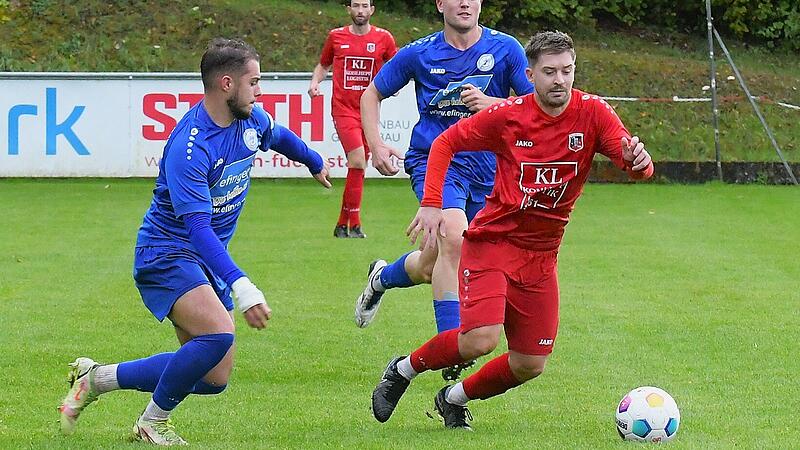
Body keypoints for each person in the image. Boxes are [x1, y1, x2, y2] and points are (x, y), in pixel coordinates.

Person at [370, 30, 654, 430]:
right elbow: (445, 143)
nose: (560, 80)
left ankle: (453, 398)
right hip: (493, 244)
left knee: (529, 364)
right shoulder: (508, 115)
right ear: (530, 74)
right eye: (550, 72)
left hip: (541, 256)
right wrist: (432, 201)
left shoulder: (593, 112)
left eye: (567, 71)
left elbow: (635, 162)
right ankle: (402, 370)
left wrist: (637, 161)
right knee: (479, 340)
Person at [58, 38, 331, 445]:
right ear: (226, 84)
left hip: (202, 259)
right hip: (167, 252)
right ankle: (152, 422)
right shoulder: (191, 147)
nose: (260, 91)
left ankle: (96, 379)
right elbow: (198, 230)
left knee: (212, 377)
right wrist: (243, 287)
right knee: (219, 334)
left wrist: (313, 161)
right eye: (254, 82)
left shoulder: (250, 119)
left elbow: (280, 136)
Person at [354, 0, 534, 380]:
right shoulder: (419, 53)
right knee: (454, 238)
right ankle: (452, 351)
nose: (464, 2)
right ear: (440, 4)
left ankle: (382, 278)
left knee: (432, 261)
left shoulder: (507, 50)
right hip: (436, 163)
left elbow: (535, 108)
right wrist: (376, 144)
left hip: (490, 171)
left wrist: (494, 104)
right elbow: (370, 95)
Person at [309, 0, 397, 239]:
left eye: (364, 6)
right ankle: (354, 223)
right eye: (355, 6)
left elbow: (396, 65)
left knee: (359, 166)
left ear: (372, 10)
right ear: (348, 10)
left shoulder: (384, 38)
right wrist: (315, 82)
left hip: (369, 111)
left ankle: (344, 225)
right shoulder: (336, 36)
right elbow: (324, 64)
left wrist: (394, 84)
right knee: (358, 160)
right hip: (343, 109)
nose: (360, 10)